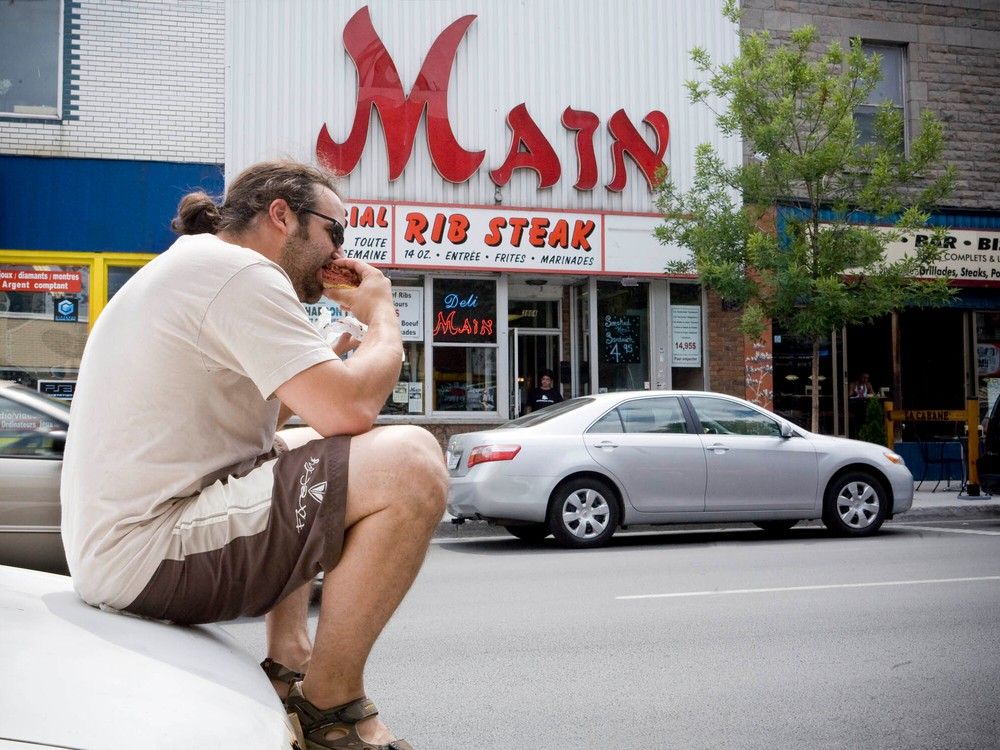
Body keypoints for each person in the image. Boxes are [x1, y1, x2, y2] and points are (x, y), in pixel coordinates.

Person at [60, 160, 446, 750]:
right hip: (148, 550)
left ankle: (289, 661)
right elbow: (350, 411)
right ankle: (330, 710)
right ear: (282, 215)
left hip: (120, 547)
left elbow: (285, 425)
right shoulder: (239, 272)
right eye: (335, 233)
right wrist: (383, 313)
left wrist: (319, 363)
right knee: (412, 461)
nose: (340, 250)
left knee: (311, 449)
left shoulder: (201, 266)